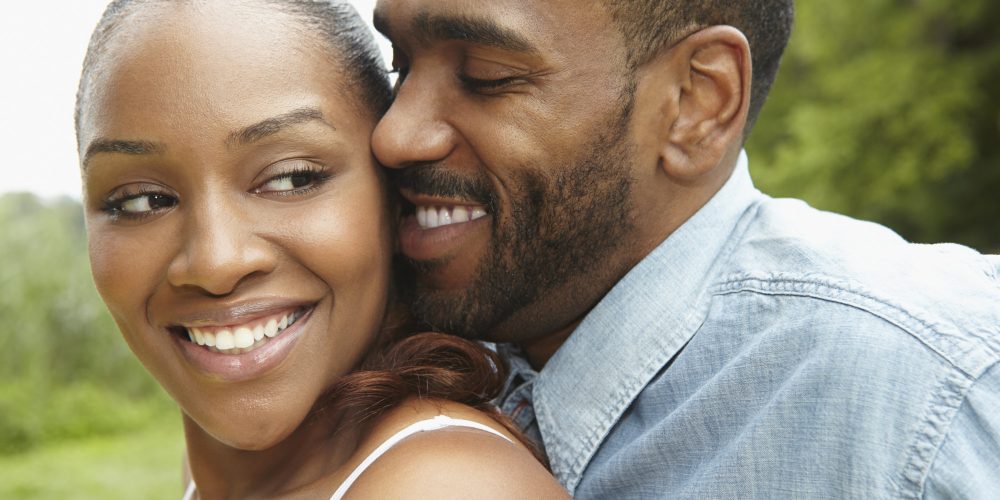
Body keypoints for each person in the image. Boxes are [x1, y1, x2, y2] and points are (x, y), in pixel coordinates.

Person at [371, 0, 1000, 497]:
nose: (395, 135)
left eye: (486, 77)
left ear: (698, 103)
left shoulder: (929, 395)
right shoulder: (383, 354)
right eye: (399, 66)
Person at [75, 0, 569, 498]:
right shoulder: (219, 473)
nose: (215, 263)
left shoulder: (449, 486)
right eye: (142, 200)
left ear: (394, 199)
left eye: (291, 178)